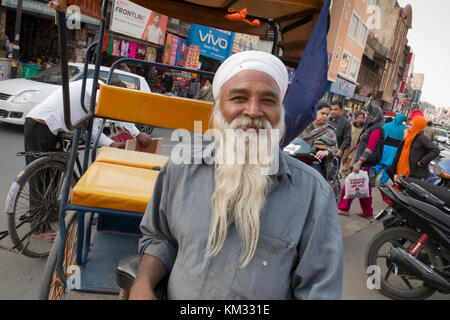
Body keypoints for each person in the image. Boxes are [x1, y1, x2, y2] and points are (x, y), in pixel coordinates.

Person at [130, 51, 343, 300]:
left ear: (280, 111)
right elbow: (159, 238)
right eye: (239, 98)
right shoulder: (180, 169)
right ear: (218, 106)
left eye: (268, 100)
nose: (253, 111)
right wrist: (142, 284)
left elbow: (319, 291)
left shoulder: (313, 195)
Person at [24, 79, 152, 165]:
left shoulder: (93, 100)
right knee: (39, 181)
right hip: (40, 125)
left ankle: (51, 206)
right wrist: (136, 133)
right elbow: (113, 107)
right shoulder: (94, 86)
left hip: (54, 130)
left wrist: (113, 144)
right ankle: (38, 206)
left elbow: (93, 131)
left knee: (52, 176)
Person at [337, 105, 385, 220]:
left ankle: (344, 208)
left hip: (366, 164)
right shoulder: (370, 127)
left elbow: (370, 149)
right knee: (361, 188)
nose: (367, 116)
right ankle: (367, 212)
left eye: (369, 114)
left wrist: (359, 163)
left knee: (353, 185)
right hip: (362, 162)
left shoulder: (377, 129)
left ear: (375, 115)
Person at [386, 116, 440, 183]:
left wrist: (422, 162)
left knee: (404, 189)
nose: (407, 126)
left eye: (411, 125)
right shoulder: (409, 137)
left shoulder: (421, 138)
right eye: (408, 124)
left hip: (412, 172)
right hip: (401, 169)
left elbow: (436, 150)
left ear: (416, 126)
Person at [298, 101, 338, 179]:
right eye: (322, 113)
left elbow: (335, 149)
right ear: (315, 111)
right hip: (298, 158)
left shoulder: (329, 130)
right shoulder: (303, 125)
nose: (325, 116)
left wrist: (326, 152)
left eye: (327, 114)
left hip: (316, 162)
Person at [375, 113, 406, 186]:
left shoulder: (387, 125)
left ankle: (371, 178)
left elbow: (381, 137)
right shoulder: (404, 129)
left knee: (378, 164)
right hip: (395, 151)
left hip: (384, 148)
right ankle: (382, 182)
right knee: (388, 167)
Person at [340, 111, 365, 178]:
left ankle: (346, 173)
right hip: (348, 146)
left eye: (362, 118)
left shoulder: (364, 128)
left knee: (349, 160)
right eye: (359, 117)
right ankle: (344, 171)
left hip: (355, 148)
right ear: (356, 118)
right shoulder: (350, 125)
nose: (360, 119)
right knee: (344, 160)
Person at [329, 100, 351, 168]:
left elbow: (347, 139)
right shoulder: (327, 119)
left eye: (335, 109)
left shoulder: (346, 123)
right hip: (324, 150)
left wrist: (341, 150)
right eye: (331, 109)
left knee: (332, 173)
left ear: (341, 110)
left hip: (336, 153)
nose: (333, 111)